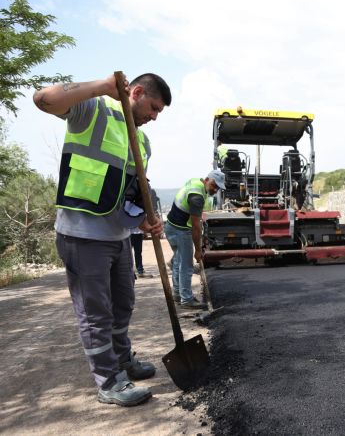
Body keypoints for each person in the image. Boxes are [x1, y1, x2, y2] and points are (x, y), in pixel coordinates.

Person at [33, 73, 171, 406]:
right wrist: (101, 87)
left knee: (123, 305)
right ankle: (109, 382)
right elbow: (43, 99)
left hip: (118, 236)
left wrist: (143, 223)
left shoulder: (142, 143)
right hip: (82, 236)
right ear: (135, 92)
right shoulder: (92, 111)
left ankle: (123, 361)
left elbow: (132, 192)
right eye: (153, 108)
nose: (154, 117)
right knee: (96, 314)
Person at [165, 171, 225, 309]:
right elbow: (196, 227)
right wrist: (198, 250)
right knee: (186, 265)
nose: (215, 190)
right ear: (206, 180)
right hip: (181, 230)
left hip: (170, 226)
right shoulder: (197, 197)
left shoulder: (195, 182)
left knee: (178, 261)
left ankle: (177, 294)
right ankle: (187, 300)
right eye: (213, 185)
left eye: (218, 188)